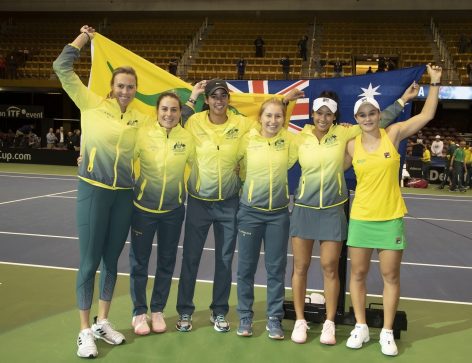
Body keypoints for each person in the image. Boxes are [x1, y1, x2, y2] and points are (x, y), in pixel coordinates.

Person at [289, 83, 420, 345]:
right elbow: (271, 126)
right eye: (319, 113)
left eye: (328, 114)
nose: (323, 118)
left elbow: (377, 119)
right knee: (300, 267)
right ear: (312, 114)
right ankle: (300, 321)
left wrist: (404, 99)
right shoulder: (299, 135)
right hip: (304, 207)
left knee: (329, 267)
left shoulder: (345, 133)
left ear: (335, 116)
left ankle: (329, 323)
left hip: (332, 209)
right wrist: (287, 102)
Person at [53, 25, 152, 358]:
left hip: (124, 195)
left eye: (130, 87)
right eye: (120, 86)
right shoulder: (90, 104)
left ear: (136, 90)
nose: (125, 91)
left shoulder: (141, 118)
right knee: (89, 261)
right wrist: (83, 37)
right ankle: (83, 330)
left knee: (112, 261)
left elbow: (173, 120)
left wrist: (192, 98)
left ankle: (103, 322)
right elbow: (60, 68)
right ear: (112, 87)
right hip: (94, 192)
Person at [175, 79, 301, 333]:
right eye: (214, 96)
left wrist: (285, 102)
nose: (219, 100)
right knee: (190, 258)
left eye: (223, 96)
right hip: (199, 201)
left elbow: (270, 125)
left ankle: (219, 311)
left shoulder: (242, 124)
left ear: (228, 100)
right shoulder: (194, 122)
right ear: (207, 100)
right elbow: (176, 123)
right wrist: (191, 97)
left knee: (224, 260)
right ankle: (185, 311)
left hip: (229, 202)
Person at [344, 64, 442, 356]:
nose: (368, 118)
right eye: (362, 115)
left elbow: (427, 115)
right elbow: (330, 168)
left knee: (390, 276)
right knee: (358, 274)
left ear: (378, 115)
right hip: (361, 217)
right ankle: (360, 326)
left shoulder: (394, 134)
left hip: (389, 218)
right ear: (356, 118)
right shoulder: (350, 146)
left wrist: (434, 83)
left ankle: (387, 332)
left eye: (372, 113)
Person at [129, 92, 194, 336]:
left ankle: (157, 310)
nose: (169, 114)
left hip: (173, 211)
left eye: (174, 110)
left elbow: (202, 164)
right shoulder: (142, 135)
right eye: (164, 109)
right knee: (139, 263)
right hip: (142, 210)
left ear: (179, 113)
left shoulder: (187, 138)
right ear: (157, 111)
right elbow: (122, 157)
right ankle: (138, 312)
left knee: (166, 263)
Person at [235, 98, 297, 340]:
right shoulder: (247, 140)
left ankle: (274, 318)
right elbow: (233, 162)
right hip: (250, 213)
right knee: (246, 269)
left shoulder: (289, 141)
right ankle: (245, 316)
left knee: (276, 269)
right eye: (268, 116)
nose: (273, 120)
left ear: (284, 119)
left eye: (278, 116)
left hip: (278, 215)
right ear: (259, 118)